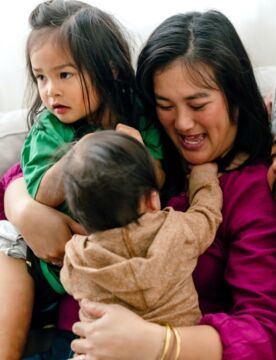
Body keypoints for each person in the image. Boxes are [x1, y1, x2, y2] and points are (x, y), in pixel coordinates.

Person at [4, 10, 276, 360]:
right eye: (165, 105)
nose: (184, 123)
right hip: (70, 340)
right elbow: (22, 177)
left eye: (198, 103)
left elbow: (270, 332)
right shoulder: (146, 141)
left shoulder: (250, 190)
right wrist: (24, 208)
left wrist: (160, 343)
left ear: (235, 96)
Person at [0, 0, 164, 358]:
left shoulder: (137, 114)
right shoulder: (49, 127)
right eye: (40, 76)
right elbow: (40, 190)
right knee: (3, 244)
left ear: (110, 70)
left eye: (64, 75)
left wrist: (133, 153)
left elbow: (160, 180)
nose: (50, 90)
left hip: (96, 265)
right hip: (37, 262)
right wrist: (81, 152)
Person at [60, 130, 222, 329]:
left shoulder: (76, 259)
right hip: (176, 348)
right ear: (153, 200)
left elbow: (68, 282)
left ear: (80, 215)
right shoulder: (178, 231)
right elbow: (207, 213)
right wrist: (202, 172)